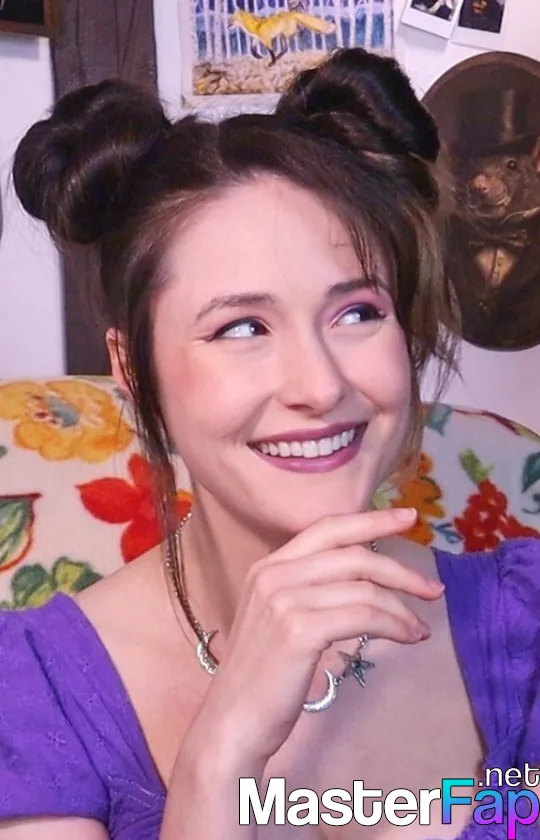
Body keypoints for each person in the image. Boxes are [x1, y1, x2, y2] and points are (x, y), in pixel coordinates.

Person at [1, 48, 538, 840]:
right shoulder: (36, 694)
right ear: (134, 370)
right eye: (242, 327)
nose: (319, 385)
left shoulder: (524, 621)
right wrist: (219, 761)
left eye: (357, 313)